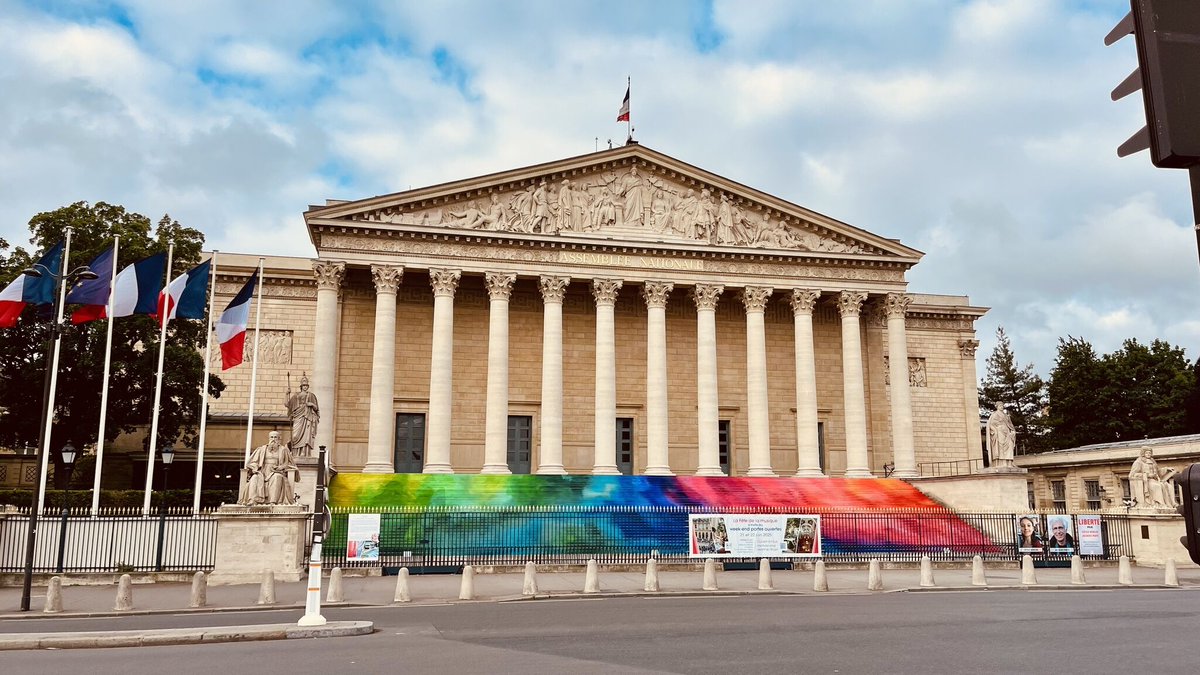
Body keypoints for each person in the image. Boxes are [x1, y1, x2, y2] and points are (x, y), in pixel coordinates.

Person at [239, 431, 298, 505]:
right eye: (272, 437)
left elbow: (289, 463)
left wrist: (280, 467)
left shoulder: (284, 450)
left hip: (276, 472)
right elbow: (253, 462)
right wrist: (255, 467)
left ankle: (273, 501)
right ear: (269, 438)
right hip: (262, 472)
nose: (273, 439)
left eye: (275, 437)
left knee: (277, 477)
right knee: (254, 478)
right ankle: (253, 500)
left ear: (279, 439)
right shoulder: (261, 449)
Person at [285, 374, 319, 458]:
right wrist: (286, 394)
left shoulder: (311, 395)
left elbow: (316, 408)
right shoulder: (296, 396)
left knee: (306, 435)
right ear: (301, 386)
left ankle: (305, 452)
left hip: (307, 417)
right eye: (303, 385)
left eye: (306, 385)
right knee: (295, 436)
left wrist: (311, 404)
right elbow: (287, 404)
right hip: (298, 417)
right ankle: (295, 453)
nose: (305, 387)